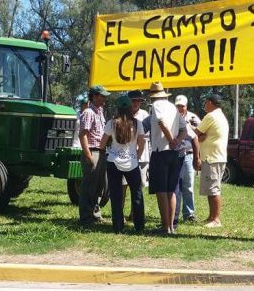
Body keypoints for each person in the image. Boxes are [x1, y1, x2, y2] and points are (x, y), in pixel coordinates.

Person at [99, 95, 145, 233]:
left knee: (116, 195)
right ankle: (139, 227)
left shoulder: (111, 123)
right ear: (131, 107)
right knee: (137, 194)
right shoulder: (138, 124)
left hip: (113, 162)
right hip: (132, 163)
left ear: (118, 108)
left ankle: (118, 227)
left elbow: (102, 144)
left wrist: (106, 151)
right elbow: (141, 143)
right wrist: (136, 156)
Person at [148, 81, 187, 234]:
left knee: (161, 190)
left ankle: (165, 227)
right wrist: (177, 141)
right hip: (174, 153)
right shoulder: (173, 107)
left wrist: (171, 139)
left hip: (161, 151)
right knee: (171, 190)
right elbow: (184, 130)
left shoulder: (156, 106)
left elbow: (161, 123)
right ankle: (171, 226)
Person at [193, 93, 229, 228]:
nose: (204, 106)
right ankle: (211, 217)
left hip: (212, 157)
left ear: (209, 103)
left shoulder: (211, 116)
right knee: (211, 188)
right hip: (215, 156)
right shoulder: (220, 116)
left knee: (213, 189)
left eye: (205, 103)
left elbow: (195, 133)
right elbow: (201, 135)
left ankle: (216, 219)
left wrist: (189, 127)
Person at [78, 84, 111, 225]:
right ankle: (85, 216)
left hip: (101, 152)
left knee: (99, 185)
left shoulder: (100, 111)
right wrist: (88, 155)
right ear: (95, 96)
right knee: (88, 186)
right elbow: (82, 135)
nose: (104, 99)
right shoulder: (88, 113)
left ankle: (95, 214)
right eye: (102, 96)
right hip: (93, 151)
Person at [173, 95, 202, 227]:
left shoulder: (193, 118)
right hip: (175, 154)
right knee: (175, 187)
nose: (180, 108)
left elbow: (199, 135)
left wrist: (197, 157)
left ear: (186, 106)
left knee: (188, 185)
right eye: (177, 106)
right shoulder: (172, 117)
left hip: (189, 154)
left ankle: (189, 214)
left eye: (182, 106)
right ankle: (174, 214)